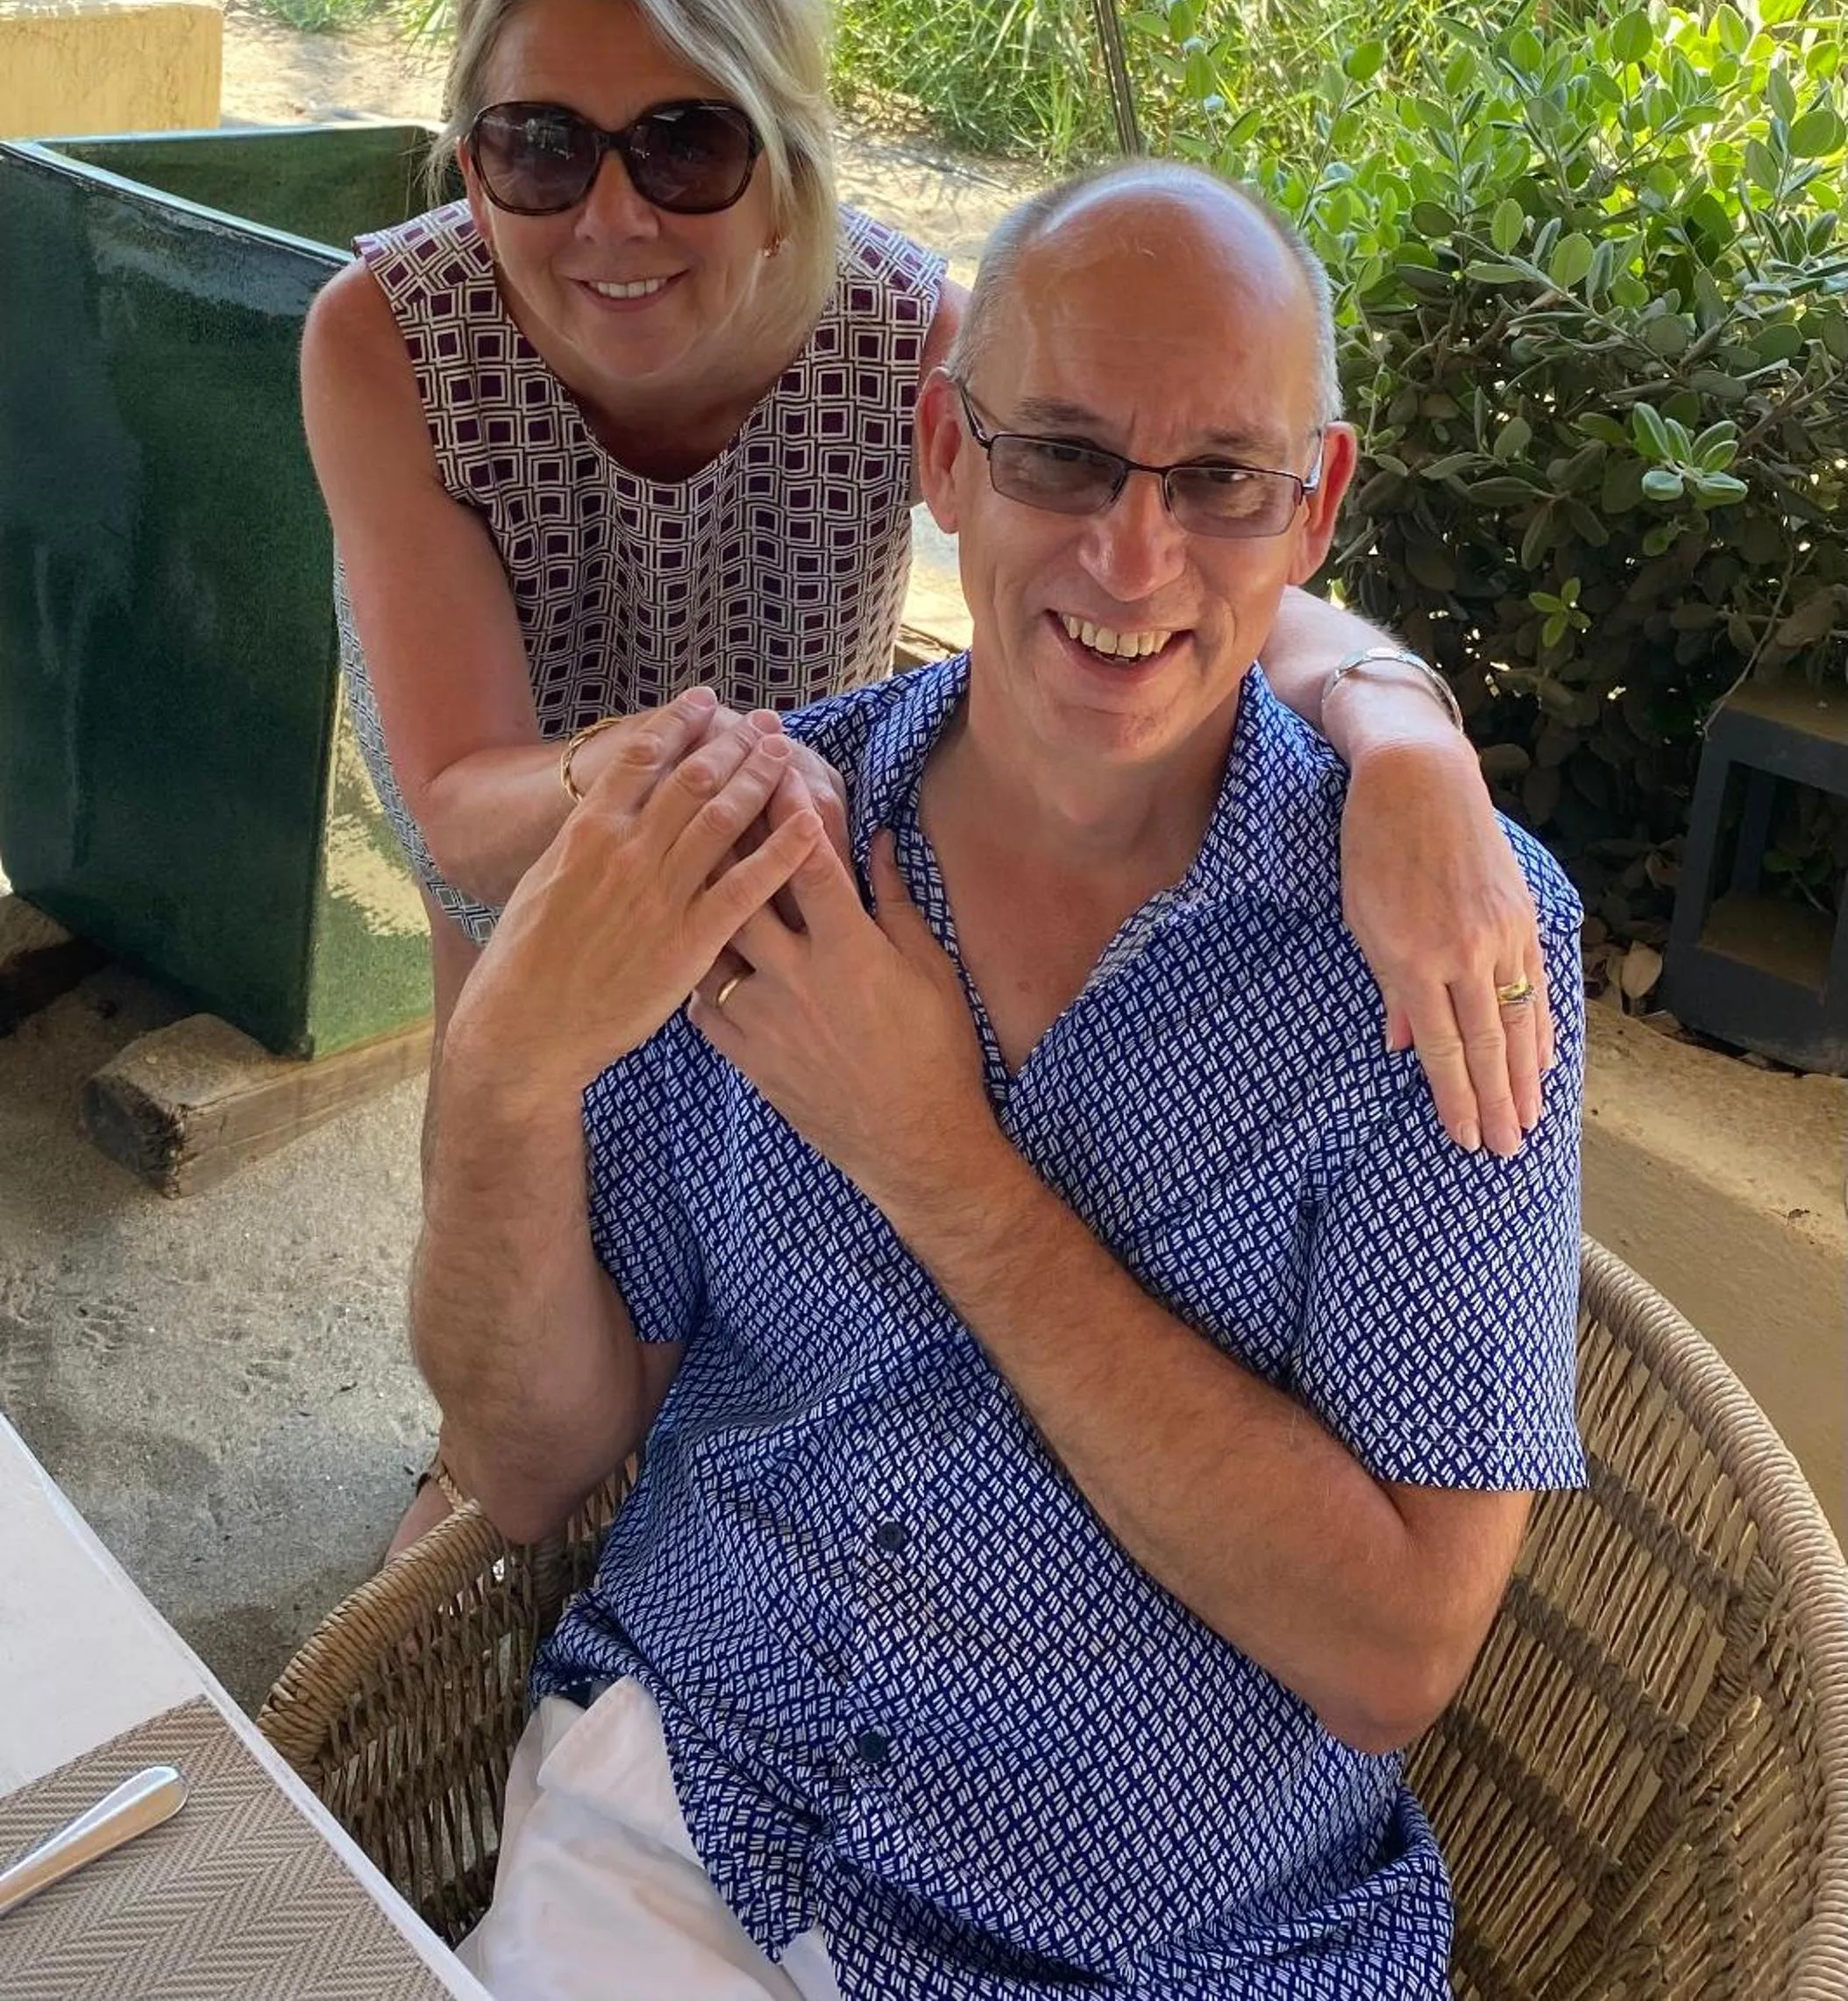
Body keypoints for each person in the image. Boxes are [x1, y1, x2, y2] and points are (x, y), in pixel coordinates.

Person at [302, 0, 1554, 1553]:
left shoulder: (899, 333)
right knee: (511, 1138)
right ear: (471, 158)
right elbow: (460, 799)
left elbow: (1157, 558)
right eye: (539, 145)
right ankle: (477, 1484)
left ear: (783, 163)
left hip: (796, 840)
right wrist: (675, 789)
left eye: (685, 143)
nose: (611, 215)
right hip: (545, 805)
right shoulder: (391, 332)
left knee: (749, 1213)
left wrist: (1406, 738)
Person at [420, 162, 1586, 2001]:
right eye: (1061, 456)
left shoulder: (1443, 947)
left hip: (1174, 1943)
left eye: (1220, 478)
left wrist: (935, 1160)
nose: (1132, 557)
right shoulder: (755, 848)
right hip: (691, 1816)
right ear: (946, 454)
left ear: (1314, 505)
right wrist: (503, 1076)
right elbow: (523, 1460)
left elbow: (1393, 1651)